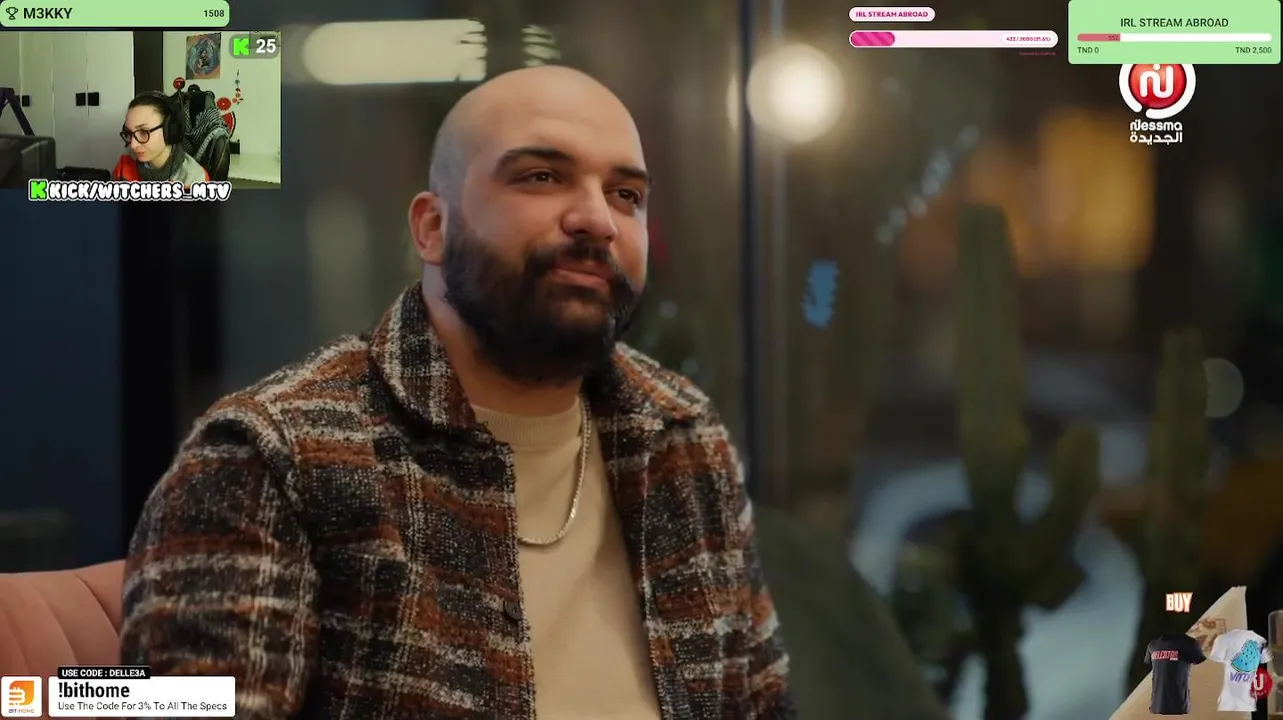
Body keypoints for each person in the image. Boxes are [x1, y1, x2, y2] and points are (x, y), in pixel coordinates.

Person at [120, 65, 794, 719]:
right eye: (541, 177)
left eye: (626, 195)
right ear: (432, 228)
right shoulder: (269, 455)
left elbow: (762, 704)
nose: (598, 219)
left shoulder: (681, 434)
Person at [112, 91, 208, 186]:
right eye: (129, 133)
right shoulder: (124, 165)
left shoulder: (195, 180)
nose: (133, 145)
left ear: (170, 130)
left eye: (144, 132)